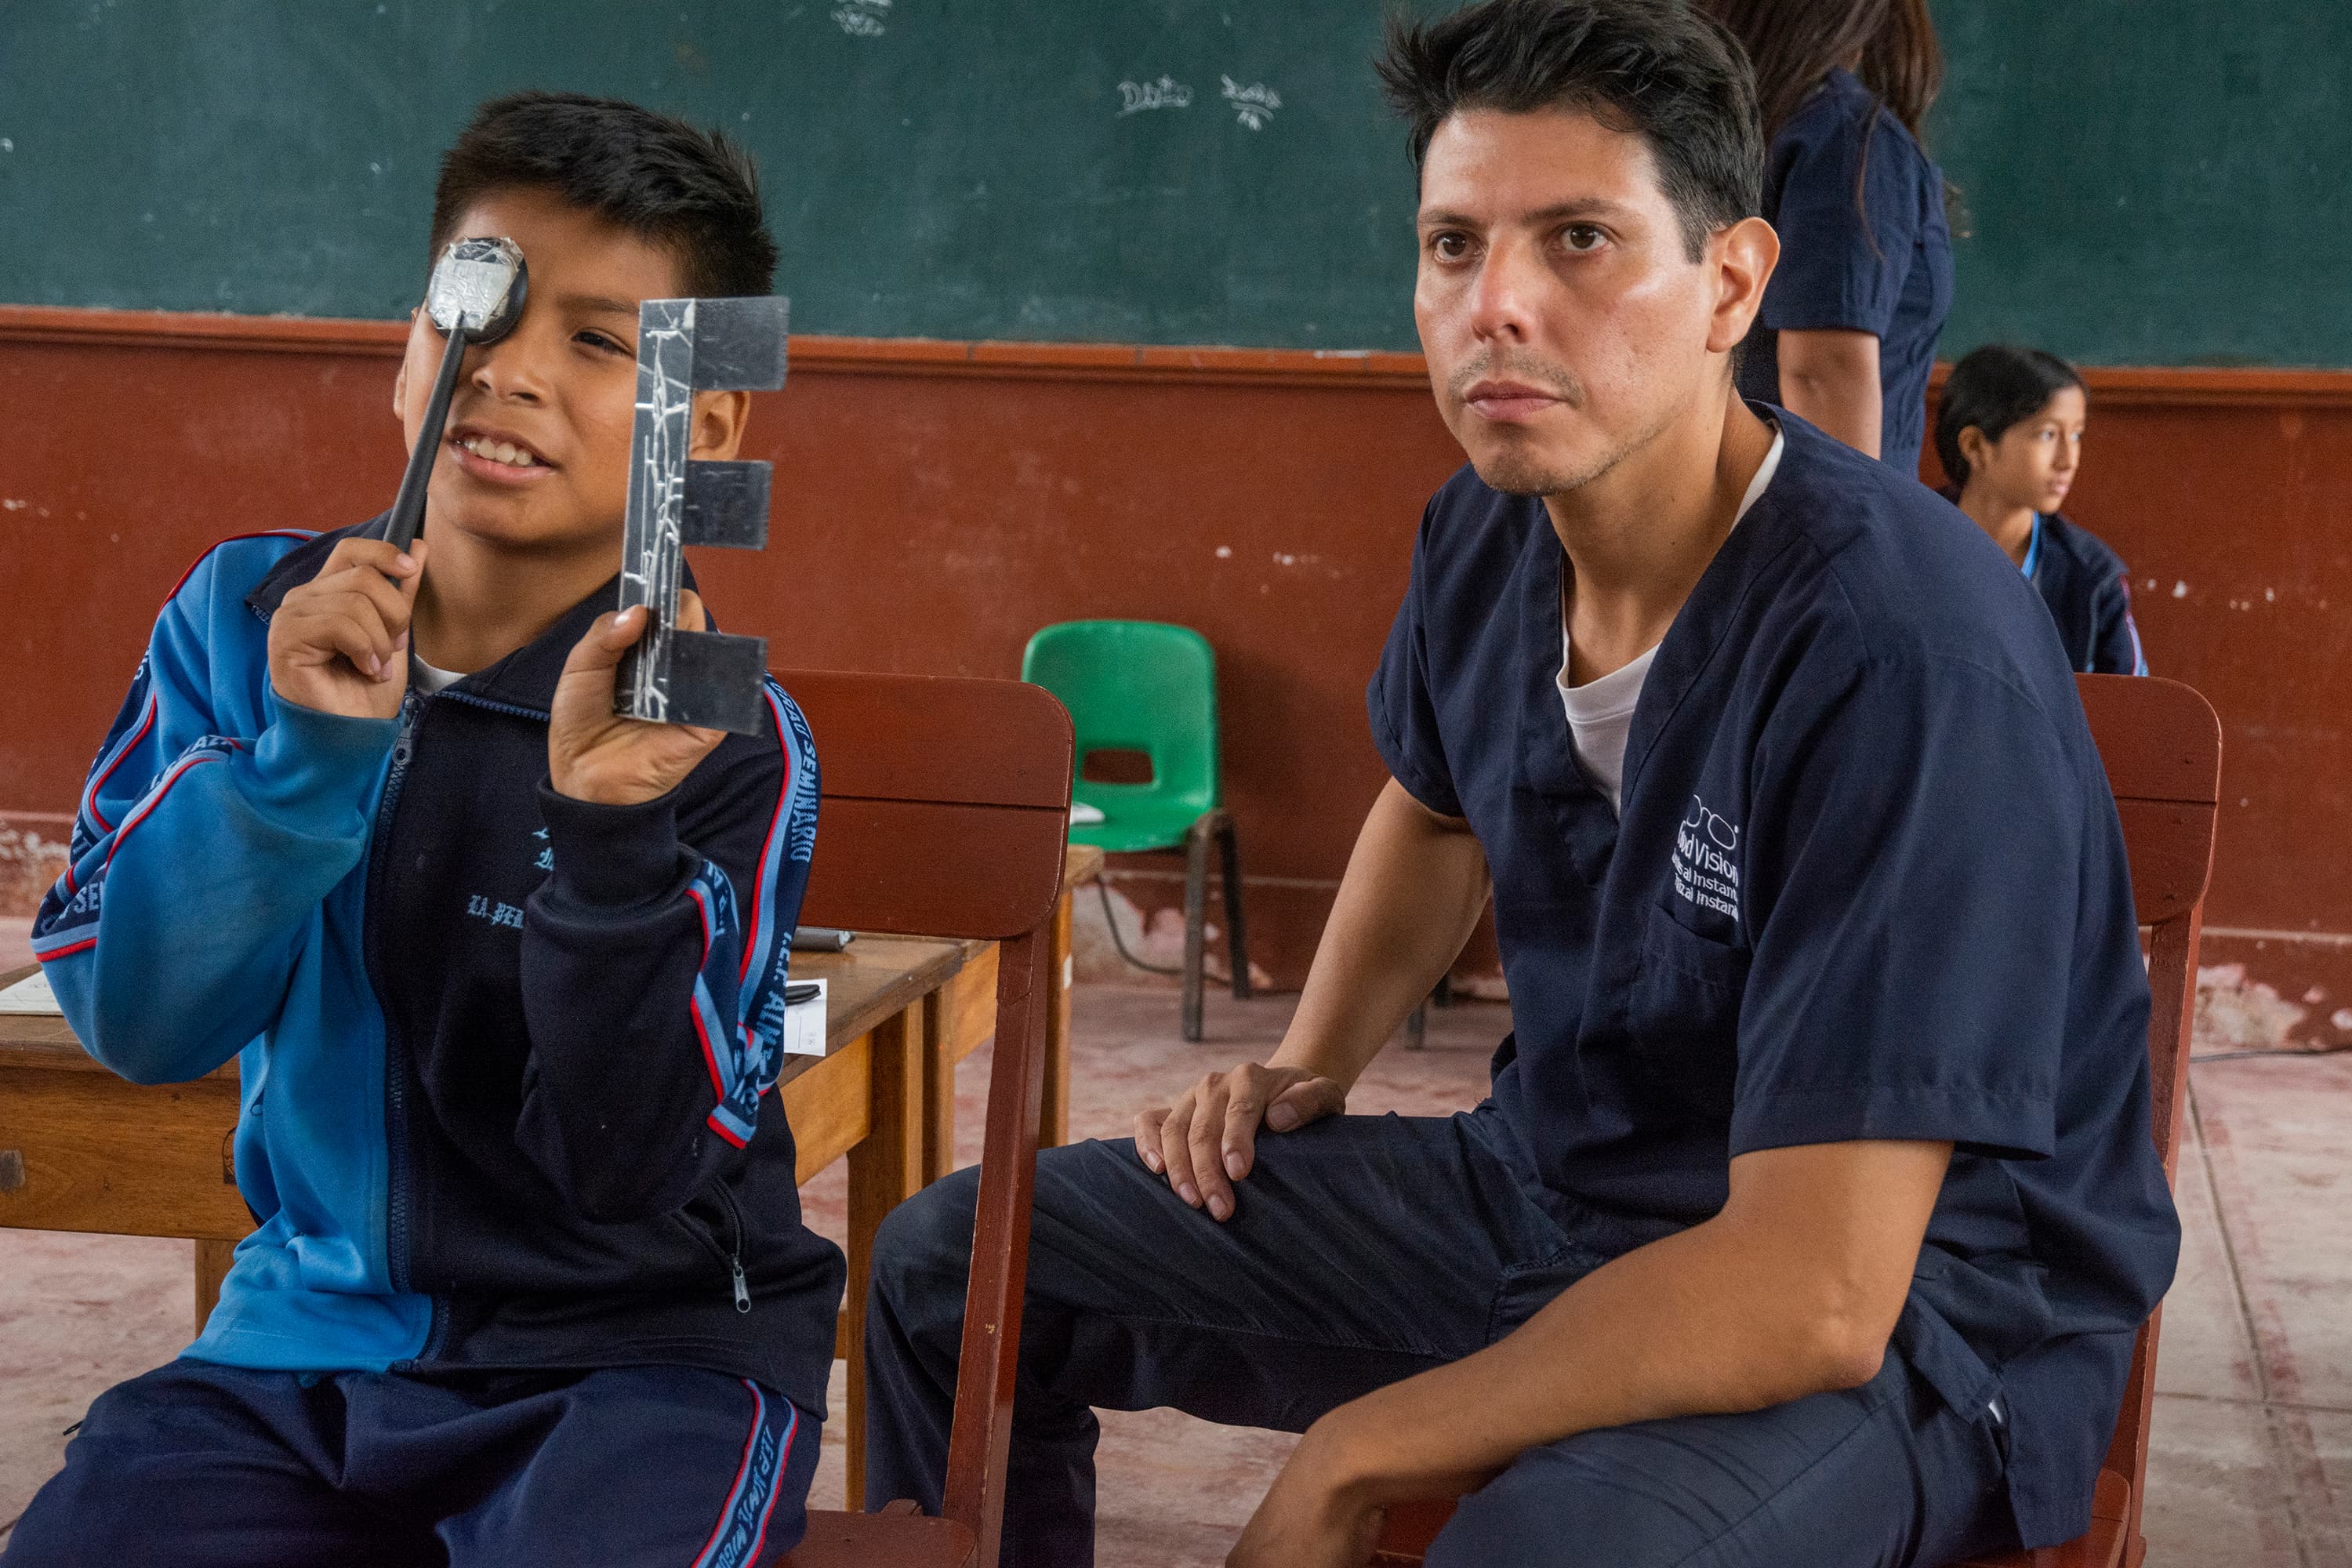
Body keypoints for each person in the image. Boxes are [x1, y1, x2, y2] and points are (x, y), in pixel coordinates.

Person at [863, 2, 2177, 1566]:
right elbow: (1434, 812)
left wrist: (1360, 1452)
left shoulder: (1897, 648)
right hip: (1557, 1188)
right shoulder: (1491, 531)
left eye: (1578, 241)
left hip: (1908, 1314)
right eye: (1451, 246)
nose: (1499, 306)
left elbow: (1818, 1290)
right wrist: (1311, 1060)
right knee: (955, 1262)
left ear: (1733, 285)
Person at [11, 93, 835, 1568]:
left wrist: (606, 842)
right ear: (410, 348)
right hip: (304, 1343)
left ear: (701, 424)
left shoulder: (715, 733)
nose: (505, 372)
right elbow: (138, 1023)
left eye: (596, 342)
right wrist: (299, 761)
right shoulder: (244, 619)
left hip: (638, 1367)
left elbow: (628, 1169)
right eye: (477, 308)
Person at [1711, 0, 1953, 474]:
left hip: (1720, 497)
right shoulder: (1844, 136)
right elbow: (1823, 373)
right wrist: (1853, 542)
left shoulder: (1716, 124)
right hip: (1803, 512)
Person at [1938, 343, 2147, 674]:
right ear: (1976, 446)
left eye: (2076, 435)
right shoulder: (1909, 545)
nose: (2069, 460)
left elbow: (2131, 705)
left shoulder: (2090, 576)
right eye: (2048, 434)